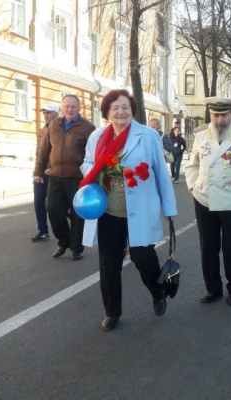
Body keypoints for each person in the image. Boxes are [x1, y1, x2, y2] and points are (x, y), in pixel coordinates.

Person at [79, 90, 177, 331]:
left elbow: (161, 173)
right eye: (115, 108)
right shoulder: (97, 136)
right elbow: (87, 163)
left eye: (125, 107)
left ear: (132, 110)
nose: (120, 112)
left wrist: (169, 207)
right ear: (107, 112)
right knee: (109, 263)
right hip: (108, 209)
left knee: (143, 258)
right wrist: (99, 171)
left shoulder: (148, 135)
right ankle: (112, 312)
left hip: (140, 206)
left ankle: (157, 292)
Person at [185, 97, 231, 305]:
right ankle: (213, 289)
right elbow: (193, 164)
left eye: (224, 115)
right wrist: (192, 186)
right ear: (210, 114)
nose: (219, 120)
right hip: (204, 198)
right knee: (208, 247)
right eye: (215, 115)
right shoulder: (200, 134)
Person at [33, 95, 96, 260]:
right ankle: (64, 240)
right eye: (67, 106)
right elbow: (44, 151)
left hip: (77, 178)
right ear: (61, 108)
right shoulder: (53, 125)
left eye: (73, 107)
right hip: (55, 176)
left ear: (79, 108)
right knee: (53, 209)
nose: (70, 109)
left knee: (77, 214)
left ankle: (76, 248)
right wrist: (38, 172)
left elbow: (94, 154)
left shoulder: (88, 127)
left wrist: (93, 176)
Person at [31, 104, 59, 242]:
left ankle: (77, 228)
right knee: (38, 202)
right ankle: (43, 231)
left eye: (49, 112)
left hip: (54, 173)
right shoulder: (42, 130)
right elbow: (39, 153)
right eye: (44, 113)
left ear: (57, 113)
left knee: (56, 206)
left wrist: (54, 167)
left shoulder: (59, 129)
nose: (46, 115)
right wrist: (37, 172)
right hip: (41, 172)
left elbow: (60, 152)